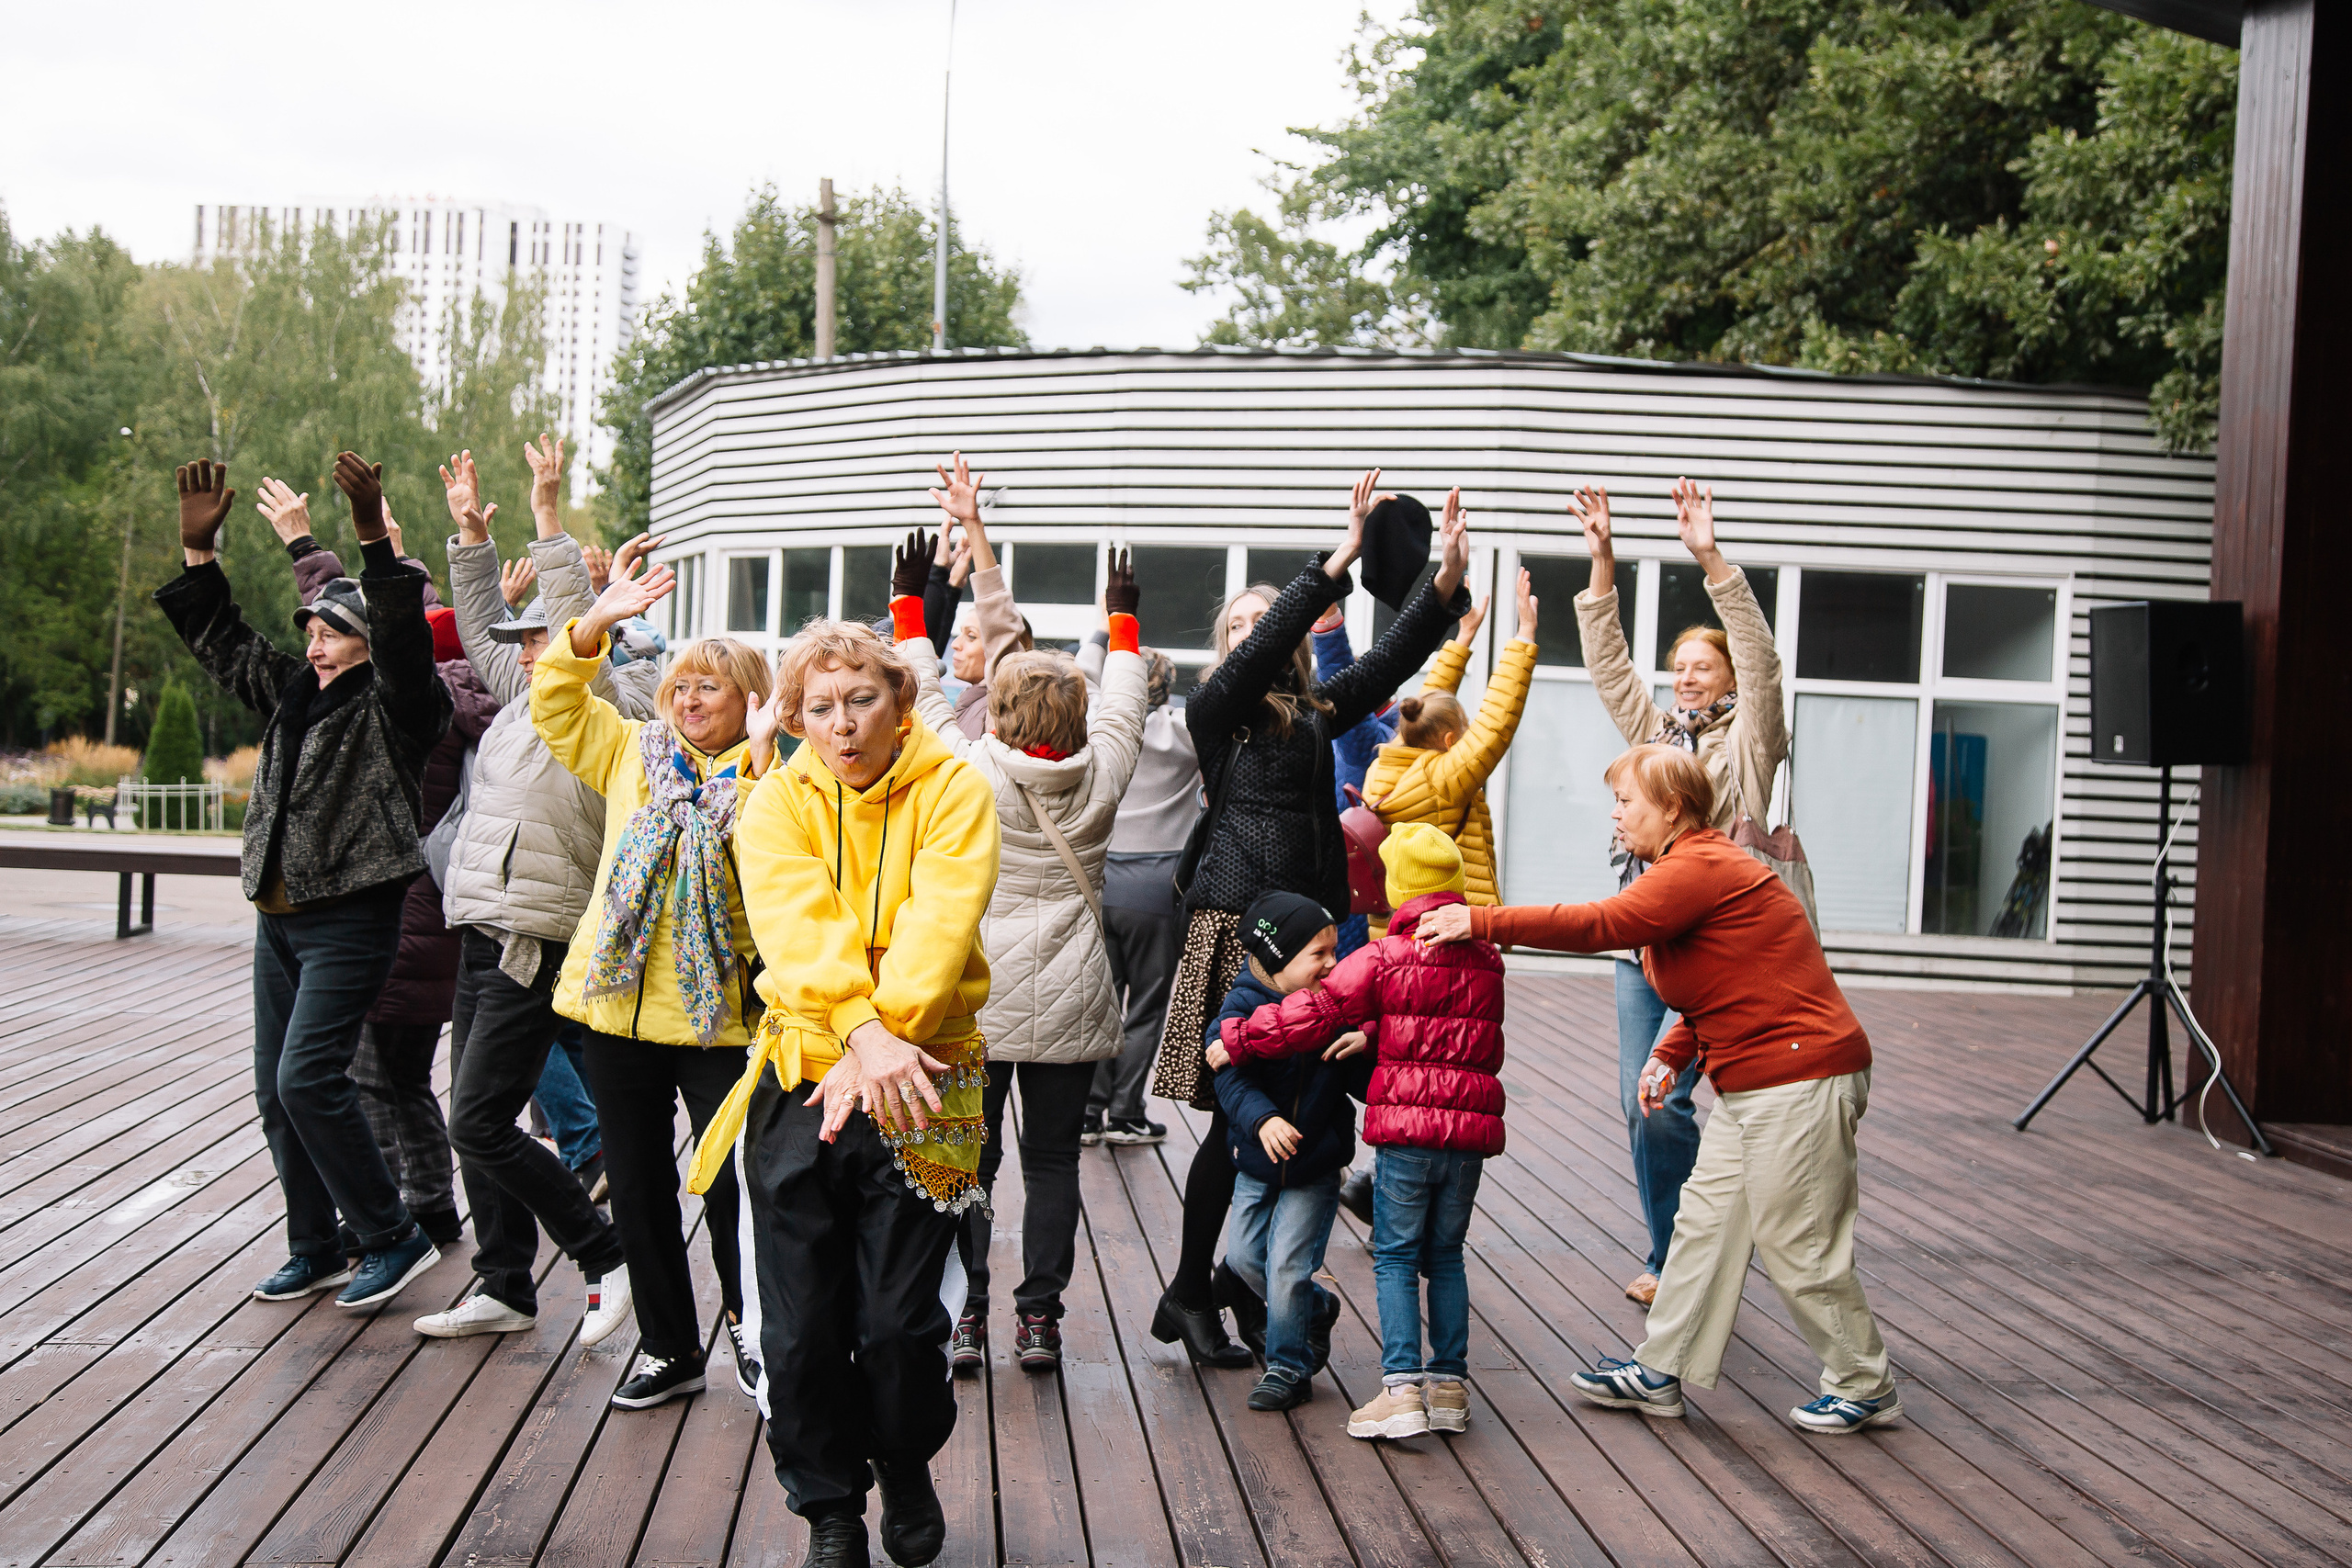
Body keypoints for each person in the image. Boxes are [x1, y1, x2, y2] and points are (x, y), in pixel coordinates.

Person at [1419, 745, 1898, 1435]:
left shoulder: (1698, 865)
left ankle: (1864, 1383)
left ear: (1672, 808)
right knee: (1701, 1228)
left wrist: (1482, 920)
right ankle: (1660, 1371)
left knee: (1801, 1241)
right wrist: (1670, 1052)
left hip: (1799, 1078)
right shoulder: (1688, 866)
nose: (1615, 815)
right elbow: (1729, 981)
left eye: (1626, 802)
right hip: (1756, 1082)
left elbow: (1602, 924)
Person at [1148, 468, 1473, 1366]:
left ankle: (1229, 1287)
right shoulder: (1215, 711)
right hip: (1232, 932)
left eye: (1265, 620)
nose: (1254, 633)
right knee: (1234, 1118)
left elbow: (1392, 659)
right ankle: (1202, 1289)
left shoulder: (1317, 713)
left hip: (1307, 940)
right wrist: (1336, 559)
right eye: (1239, 625)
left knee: (1289, 1108)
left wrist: (1443, 581)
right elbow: (1261, 651)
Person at [696, 611, 999, 1568]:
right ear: (793, 717)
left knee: (900, 1323)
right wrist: (860, 1041)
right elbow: (797, 930)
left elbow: (938, 927)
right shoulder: (773, 803)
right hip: (803, 1075)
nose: (843, 724)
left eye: (861, 699)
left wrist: (876, 1045)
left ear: (899, 701)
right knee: (797, 1327)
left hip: (926, 1073)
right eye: (820, 707)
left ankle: (902, 1461)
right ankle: (829, 1509)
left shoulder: (955, 787)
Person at [154, 454, 452, 1310]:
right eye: (311, 630)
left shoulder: (400, 705)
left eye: (330, 630)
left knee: (308, 1078)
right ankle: (315, 1246)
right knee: (276, 1092)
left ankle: (392, 1234)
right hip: (279, 918)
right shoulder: (294, 690)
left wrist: (370, 540)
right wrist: (199, 556)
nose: (313, 642)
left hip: (351, 921)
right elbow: (222, 642)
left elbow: (405, 640)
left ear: (368, 641)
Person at [532, 545, 777, 1411]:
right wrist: (594, 622)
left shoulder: (777, 784)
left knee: (735, 1187)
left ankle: (753, 1331)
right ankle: (671, 1347)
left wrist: (758, 764)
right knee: (637, 1189)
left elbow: (776, 881)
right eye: (681, 684)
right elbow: (558, 705)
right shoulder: (635, 753)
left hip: (721, 1022)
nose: (689, 698)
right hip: (616, 1012)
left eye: (710, 686)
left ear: (751, 702)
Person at [900, 526, 1148, 1375]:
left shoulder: (970, 770)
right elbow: (1125, 706)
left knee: (971, 1160)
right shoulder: (1104, 774)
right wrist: (1122, 621)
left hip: (979, 996)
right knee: (1052, 1163)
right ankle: (1039, 1316)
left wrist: (910, 608)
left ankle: (966, 1313)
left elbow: (924, 700)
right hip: (1073, 994)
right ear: (1076, 714)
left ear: (999, 713)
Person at [420, 440, 645, 1347]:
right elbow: (483, 626)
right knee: (478, 1116)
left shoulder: (610, 704)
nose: (527, 647)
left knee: (477, 1121)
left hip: (535, 931)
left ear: (590, 637)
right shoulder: (522, 698)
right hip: (483, 925)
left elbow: (571, 623)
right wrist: (472, 538)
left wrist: (548, 518)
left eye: (546, 634)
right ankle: (504, 1284)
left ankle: (605, 1254)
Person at [257, 481, 495, 1249]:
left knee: (356, 1076)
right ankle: (430, 1202)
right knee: (402, 1075)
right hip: (433, 913)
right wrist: (375, 549)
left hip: (384, 905)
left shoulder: (408, 701)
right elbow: (364, 617)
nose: (321, 643)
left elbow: (374, 624)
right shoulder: (469, 701)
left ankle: (388, 1215)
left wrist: (339, 548)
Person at [1211, 823, 1505, 1440]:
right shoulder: (1487, 957)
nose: (1330, 962)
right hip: (1467, 1133)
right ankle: (1449, 1385)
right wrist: (1372, 1035)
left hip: (1388, 1138)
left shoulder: (1384, 957)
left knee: (1393, 1258)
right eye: (1316, 954)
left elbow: (1316, 1014)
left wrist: (1235, 1038)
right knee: (1444, 1256)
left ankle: (1386, 1386)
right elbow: (1442, 1025)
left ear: (1399, 889)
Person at [1570, 477, 1786, 1308]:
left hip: (1717, 947)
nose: (1688, 678)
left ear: (1728, 675)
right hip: (1645, 945)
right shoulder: (1659, 738)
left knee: (1676, 1099)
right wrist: (1602, 559)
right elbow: (1608, 667)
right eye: (1681, 668)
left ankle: (1693, 1256)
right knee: (1646, 1102)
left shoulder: (1753, 738)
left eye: (1704, 667)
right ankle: (1675, 1253)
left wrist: (1710, 557)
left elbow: (1764, 664)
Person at [1203, 891, 1369, 1412]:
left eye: (1334, 951)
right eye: (1318, 954)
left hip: (1315, 1163)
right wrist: (1263, 1119)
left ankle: (1288, 1367)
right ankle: (1316, 1308)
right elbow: (1230, 1080)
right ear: (1279, 959)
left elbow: (1363, 1082)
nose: (1333, 963)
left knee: (1288, 1268)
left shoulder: (1336, 1006)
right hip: (1257, 1162)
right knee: (1244, 1259)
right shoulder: (1241, 1008)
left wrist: (1367, 1041)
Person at [1363, 569, 1539, 934]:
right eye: (1464, 729)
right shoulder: (1441, 781)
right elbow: (1495, 724)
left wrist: (1465, 636)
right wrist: (1525, 635)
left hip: (1392, 929)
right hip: (1444, 930)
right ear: (1449, 742)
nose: (1470, 732)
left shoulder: (1388, 764)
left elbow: (1426, 707)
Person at [1072, 637, 1194, 1147]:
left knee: (1101, 1001)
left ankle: (1088, 1112)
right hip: (1159, 886)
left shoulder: (1099, 723)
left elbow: (1085, 673)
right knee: (1146, 1005)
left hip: (1101, 877)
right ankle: (1125, 1114)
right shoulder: (1186, 733)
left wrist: (1103, 633)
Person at [1310, 601, 1400, 959]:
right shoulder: (1393, 735)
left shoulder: (1366, 743)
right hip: (1353, 887)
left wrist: (1328, 626)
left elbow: (1344, 693)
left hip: (1353, 895)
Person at [921, 455, 1031, 741]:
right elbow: (927, 652)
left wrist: (972, 524)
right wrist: (949, 588)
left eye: (971, 636)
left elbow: (996, 608)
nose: (955, 645)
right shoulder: (967, 703)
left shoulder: (1004, 708)